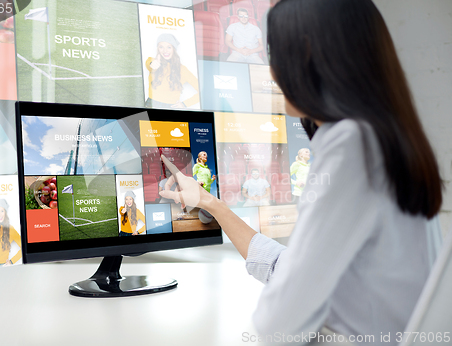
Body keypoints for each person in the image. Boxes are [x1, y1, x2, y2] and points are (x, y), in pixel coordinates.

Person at [158, 0, 444, 344]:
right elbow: (295, 269)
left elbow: (279, 321)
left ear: (307, 54)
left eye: (274, 53)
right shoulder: (386, 136)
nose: (272, 71)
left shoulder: (351, 144)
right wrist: (211, 204)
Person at [145, 33, 200, 109]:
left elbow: (202, 91)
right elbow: (149, 63)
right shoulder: (152, 61)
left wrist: (185, 104)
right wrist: (152, 63)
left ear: (174, 49)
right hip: (150, 105)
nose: (165, 51)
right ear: (158, 48)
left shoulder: (182, 69)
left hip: (170, 108)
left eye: (169, 47)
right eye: (161, 47)